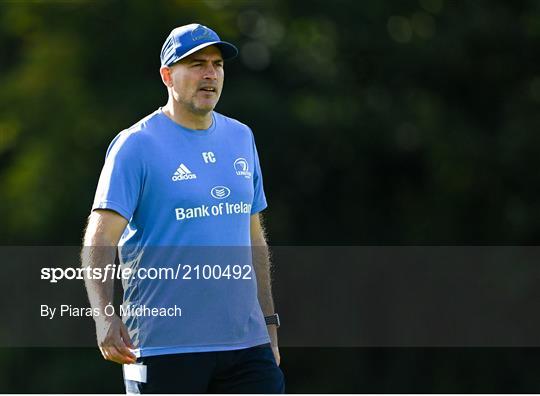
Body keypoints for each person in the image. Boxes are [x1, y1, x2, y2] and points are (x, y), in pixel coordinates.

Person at [81, 23, 284, 394]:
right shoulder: (135, 145)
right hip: (164, 347)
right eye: (196, 64)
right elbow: (100, 238)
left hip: (247, 346)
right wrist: (104, 317)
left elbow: (254, 238)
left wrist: (269, 322)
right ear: (167, 76)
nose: (210, 74)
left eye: (217, 64)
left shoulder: (242, 137)